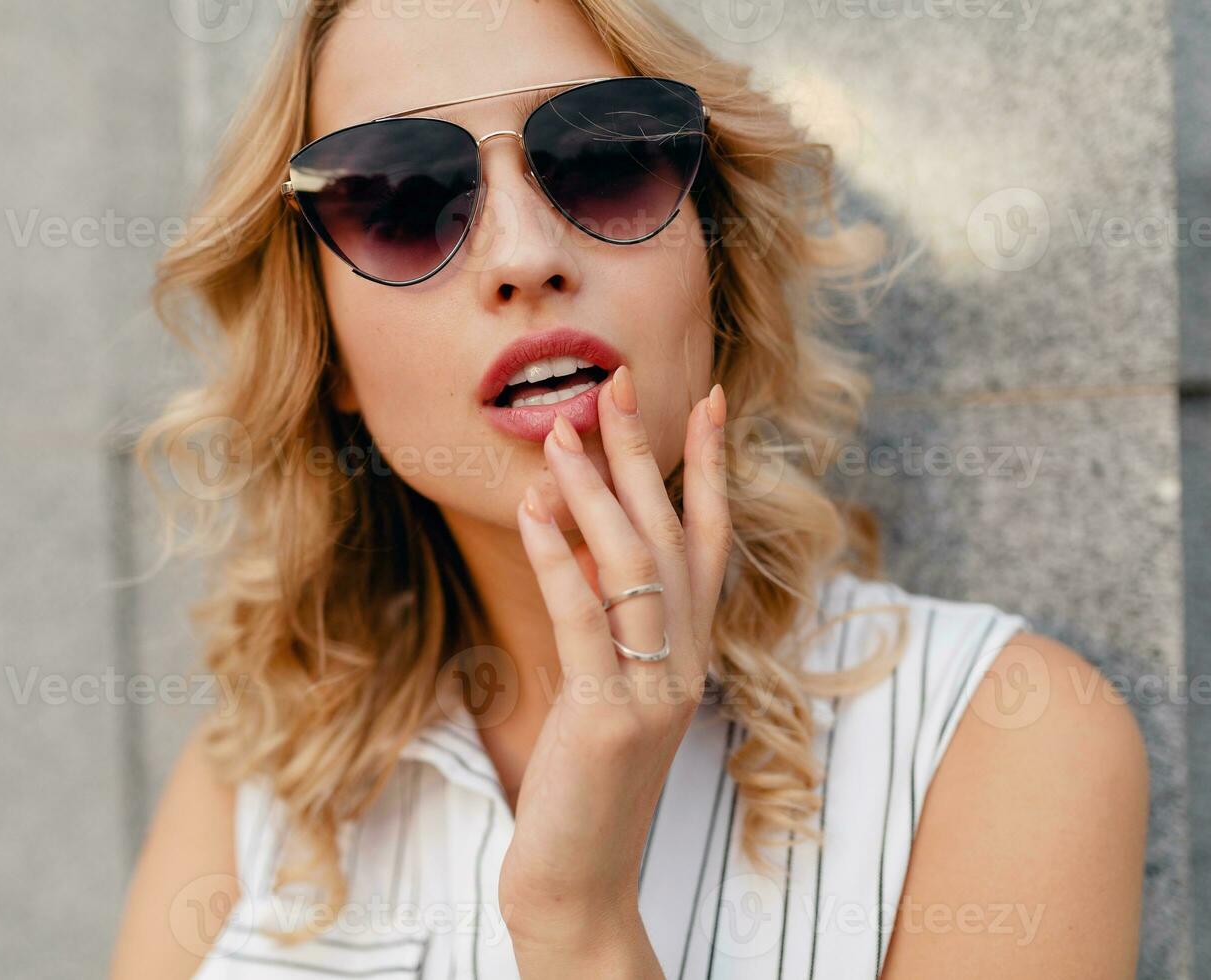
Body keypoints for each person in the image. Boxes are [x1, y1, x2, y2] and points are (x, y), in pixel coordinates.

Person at [110, 0, 1149, 975]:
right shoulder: (260, 783)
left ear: (713, 261)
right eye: (404, 200)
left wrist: (580, 918)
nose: (524, 255)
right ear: (326, 345)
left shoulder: (998, 737)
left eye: (604, 161)